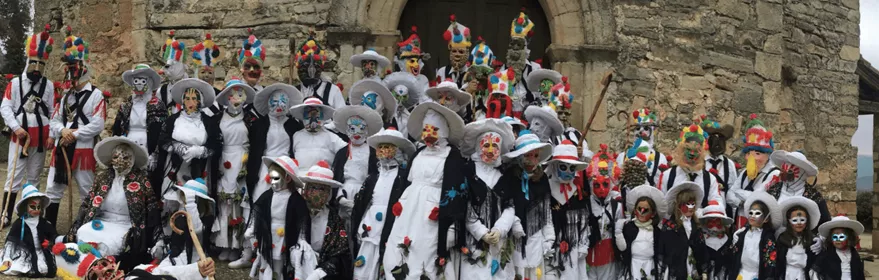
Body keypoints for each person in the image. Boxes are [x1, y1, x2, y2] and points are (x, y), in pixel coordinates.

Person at [382, 102, 467, 280]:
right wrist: (402, 202)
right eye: (426, 129)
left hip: (433, 210)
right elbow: (409, 182)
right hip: (409, 210)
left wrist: (450, 222)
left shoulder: (452, 156)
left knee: (426, 250)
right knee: (399, 247)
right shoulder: (418, 153)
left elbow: (456, 190)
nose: (428, 134)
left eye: (434, 129)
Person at [231, 83, 302, 269]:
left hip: (285, 171)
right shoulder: (259, 124)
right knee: (256, 207)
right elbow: (252, 148)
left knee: (282, 209)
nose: (279, 105)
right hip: (263, 171)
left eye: (283, 101)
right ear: (268, 103)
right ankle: (247, 252)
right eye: (275, 101)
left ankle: (280, 254)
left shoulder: (294, 125)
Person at [68, 137, 159, 272]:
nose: (120, 161)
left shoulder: (141, 181)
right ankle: (84, 264)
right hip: (101, 221)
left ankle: (100, 267)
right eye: (116, 157)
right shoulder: (102, 177)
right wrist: (75, 226)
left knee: (110, 244)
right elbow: (88, 202)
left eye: (125, 158)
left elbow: (152, 211)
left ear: (132, 160)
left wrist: (153, 239)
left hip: (125, 224)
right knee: (84, 232)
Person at [46, 29, 106, 226]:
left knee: (86, 189)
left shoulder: (96, 96)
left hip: (83, 150)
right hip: (61, 146)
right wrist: (62, 131)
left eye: (74, 68)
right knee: (53, 188)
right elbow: (54, 120)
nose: (71, 73)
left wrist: (75, 134)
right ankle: (48, 229)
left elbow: (98, 124)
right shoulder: (65, 97)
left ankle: (86, 228)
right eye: (69, 68)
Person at [0, 24, 55, 226]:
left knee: (34, 176)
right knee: (14, 174)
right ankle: (5, 213)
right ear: (27, 61)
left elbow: (52, 111)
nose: (37, 67)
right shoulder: (15, 84)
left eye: (41, 64)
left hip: (40, 138)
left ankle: (29, 214)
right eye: (34, 63)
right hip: (20, 136)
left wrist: (52, 136)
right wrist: (16, 128)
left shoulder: (48, 85)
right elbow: (5, 108)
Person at [351, 127, 415, 280]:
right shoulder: (372, 177)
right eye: (381, 147)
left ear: (396, 150)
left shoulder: (403, 178)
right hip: (371, 227)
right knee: (365, 263)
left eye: (388, 147)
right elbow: (361, 203)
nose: (384, 151)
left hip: (393, 226)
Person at [458, 118, 516, 280]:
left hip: (500, 243)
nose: (490, 150)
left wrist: (499, 229)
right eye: (486, 145)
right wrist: (480, 232)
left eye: (495, 146)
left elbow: (510, 206)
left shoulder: (504, 175)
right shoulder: (469, 172)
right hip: (474, 242)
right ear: (478, 147)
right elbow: (465, 205)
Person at [150, 78, 222, 201]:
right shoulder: (172, 120)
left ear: (201, 101)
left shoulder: (209, 123)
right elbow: (162, 139)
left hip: (199, 169)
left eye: (194, 99)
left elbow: (216, 143)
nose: (190, 102)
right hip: (174, 168)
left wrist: (200, 151)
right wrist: (177, 147)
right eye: (187, 98)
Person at [211, 78, 257, 262]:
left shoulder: (250, 118)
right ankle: (224, 244)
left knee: (239, 202)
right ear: (226, 98)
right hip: (224, 160)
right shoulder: (217, 119)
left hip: (242, 160)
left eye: (240, 94)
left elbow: (255, 141)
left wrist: (247, 162)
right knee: (224, 202)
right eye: (233, 95)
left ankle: (238, 245)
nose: (236, 98)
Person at [245, 156, 308, 280]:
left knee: (280, 264)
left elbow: (302, 219)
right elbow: (257, 209)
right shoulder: (267, 195)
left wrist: (302, 238)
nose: (272, 182)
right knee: (266, 262)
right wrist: (252, 227)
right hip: (268, 233)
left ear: (288, 178)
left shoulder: (296, 199)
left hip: (285, 236)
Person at [288, 160, 352, 280]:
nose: (317, 193)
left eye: (322, 189)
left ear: (328, 193)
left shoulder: (333, 218)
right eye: (313, 188)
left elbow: (341, 252)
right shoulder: (295, 211)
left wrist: (320, 272)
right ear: (306, 189)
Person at [503, 130, 553, 280]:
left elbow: (546, 208)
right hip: (515, 238)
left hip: (536, 235)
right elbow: (506, 203)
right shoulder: (510, 177)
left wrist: (549, 237)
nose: (532, 160)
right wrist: (514, 222)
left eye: (535, 155)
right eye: (527, 155)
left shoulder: (542, 179)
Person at [150, 179, 216, 279]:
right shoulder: (181, 211)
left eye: (185, 194)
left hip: (194, 260)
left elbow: (195, 229)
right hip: (176, 256)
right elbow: (171, 232)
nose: (182, 196)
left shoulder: (204, 218)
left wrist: (190, 202)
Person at [545, 139, 591, 280]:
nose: (568, 172)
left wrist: (584, 244)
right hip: (551, 249)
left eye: (572, 168)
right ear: (555, 167)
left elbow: (584, 220)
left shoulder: (578, 192)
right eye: (563, 167)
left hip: (574, 248)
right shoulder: (546, 190)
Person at [728, 114, 781, 228]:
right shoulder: (744, 173)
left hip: (760, 226)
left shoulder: (774, 174)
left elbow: (759, 197)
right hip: (740, 222)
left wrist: (739, 193)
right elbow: (729, 195)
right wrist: (742, 201)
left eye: (758, 154)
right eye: (749, 154)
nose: (753, 158)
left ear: (767, 155)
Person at [331, 105, 382, 216]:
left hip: (364, 194)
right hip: (344, 193)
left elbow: (376, 176)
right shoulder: (342, 153)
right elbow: (336, 177)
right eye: (352, 129)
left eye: (361, 129)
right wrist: (340, 197)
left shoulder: (373, 153)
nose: (356, 133)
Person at [657, 123, 724, 208]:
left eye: (696, 150)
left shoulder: (710, 180)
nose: (692, 154)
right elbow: (661, 204)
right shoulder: (667, 176)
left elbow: (717, 203)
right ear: (681, 150)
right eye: (688, 149)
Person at [0, 184, 57, 277]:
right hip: (25, 251)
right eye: (33, 207)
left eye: (39, 207)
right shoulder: (19, 224)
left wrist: (51, 242)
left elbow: (53, 235)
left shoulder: (44, 222)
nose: (36, 210)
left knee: (49, 266)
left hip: (41, 251)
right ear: (25, 206)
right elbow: (11, 243)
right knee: (17, 267)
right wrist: (7, 258)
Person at [584, 144, 623, 279]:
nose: (601, 189)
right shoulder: (586, 204)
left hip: (608, 252)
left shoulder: (616, 205)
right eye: (597, 185)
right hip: (590, 251)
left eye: (605, 184)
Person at [113, 64, 167, 155]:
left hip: (147, 145)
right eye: (136, 80)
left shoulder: (158, 105)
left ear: (149, 82)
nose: (138, 84)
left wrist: (155, 154)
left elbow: (162, 132)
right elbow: (117, 129)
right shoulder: (126, 105)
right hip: (127, 143)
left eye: (142, 81)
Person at [615, 184, 665, 280]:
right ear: (634, 210)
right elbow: (622, 248)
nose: (641, 213)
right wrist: (618, 232)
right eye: (639, 209)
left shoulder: (656, 231)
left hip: (650, 265)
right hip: (633, 265)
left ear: (653, 213)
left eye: (646, 210)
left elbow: (660, 250)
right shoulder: (629, 227)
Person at [766, 150, 831, 225]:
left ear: (801, 174)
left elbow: (824, 221)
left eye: (790, 172)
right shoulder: (773, 190)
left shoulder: (814, 196)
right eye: (783, 170)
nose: (785, 175)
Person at [658, 181, 706, 279]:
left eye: (693, 204)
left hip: (692, 267)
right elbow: (664, 249)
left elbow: (701, 249)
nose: (690, 208)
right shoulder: (670, 226)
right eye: (687, 204)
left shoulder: (696, 226)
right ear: (679, 206)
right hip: (675, 268)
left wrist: (703, 270)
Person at [730, 191, 781, 280]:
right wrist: (735, 244)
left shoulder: (768, 237)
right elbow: (734, 256)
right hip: (741, 274)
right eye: (751, 213)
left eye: (757, 213)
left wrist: (769, 277)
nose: (753, 216)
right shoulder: (742, 233)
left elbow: (770, 261)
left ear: (766, 219)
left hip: (757, 275)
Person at [290, 97, 347, 173]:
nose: (313, 121)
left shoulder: (330, 137)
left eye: (317, 117)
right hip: (300, 179)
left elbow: (347, 151)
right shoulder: (296, 136)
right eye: (308, 117)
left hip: (322, 178)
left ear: (323, 117)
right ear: (303, 117)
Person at [504, 10, 542, 118]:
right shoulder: (503, 70)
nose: (515, 48)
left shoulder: (535, 70)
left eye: (519, 44)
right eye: (513, 44)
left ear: (525, 46)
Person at [616, 108, 668, 187]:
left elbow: (662, 185)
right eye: (637, 128)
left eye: (646, 128)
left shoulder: (660, 158)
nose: (641, 131)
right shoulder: (623, 157)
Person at [294, 33, 345, 109]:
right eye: (305, 67)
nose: (311, 70)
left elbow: (341, 115)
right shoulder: (294, 93)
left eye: (315, 66)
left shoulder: (333, 91)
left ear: (320, 68)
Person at [776, 196, 821, 280]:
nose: (799, 223)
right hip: (786, 275)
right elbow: (778, 261)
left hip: (803, 275)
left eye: (802, 220)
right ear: (789, 221)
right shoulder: (782, 239)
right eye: (795, 220)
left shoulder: (811, 240)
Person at [813, 215, 866, 280]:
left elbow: (859, 273)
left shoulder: (854, 254)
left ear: (849, 237)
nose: (838, 240)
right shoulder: (827, 254)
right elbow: (817, 271)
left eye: (841, 237)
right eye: (835, 237)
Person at [463, 38, 498, 121]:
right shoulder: (466, 87)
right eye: (477, 74)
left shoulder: (494, 88)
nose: (480, 78)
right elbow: (459, 109)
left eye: (485, 73)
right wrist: (468, 92)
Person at [700, 116, 738, 191]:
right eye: (714, 139)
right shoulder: (700, 163)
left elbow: (733, 189)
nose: (717, 143)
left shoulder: (729, 164)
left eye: (720, 139)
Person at [155, 30, 189, 114]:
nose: (165, 71)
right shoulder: (161, 91)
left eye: (168, 67)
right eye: (165, 67)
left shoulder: (192, 86)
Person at [700, 199, 735, 280]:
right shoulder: (701, 240)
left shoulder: (728, 241)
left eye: (717, 221)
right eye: (711, 221)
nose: (714, 225)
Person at [395, 26, 431, 104]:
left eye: (417, 61)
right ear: (403, 63)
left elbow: (426, 100)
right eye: (412, 61)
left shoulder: (423, 79)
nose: (416, 65)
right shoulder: (396, 79)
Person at [436, 14, 471, 88]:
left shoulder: (471, 74)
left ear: (467, 53)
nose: (457, 54)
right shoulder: (442, 72)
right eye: (454, 51)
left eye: (461, 52)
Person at [383, 71, 421, 137]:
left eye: (403, 97)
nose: (400, 100)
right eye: (397, 96)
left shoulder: (408, 115)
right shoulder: (385, 112)